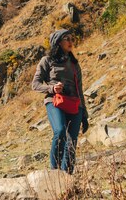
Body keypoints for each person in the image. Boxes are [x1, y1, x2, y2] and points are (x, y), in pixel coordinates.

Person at [31, 29, 89, 174]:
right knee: (60, 131)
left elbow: (79, 89)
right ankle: (54, 172)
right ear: (58, 42)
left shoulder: (74, 63)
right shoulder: (47, 60)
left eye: (71, 38)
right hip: (55, 101)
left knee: (72, 142)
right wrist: (52, 88)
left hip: (75, 104)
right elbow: (35, 84)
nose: (71, 41)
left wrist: (84, 114)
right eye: (66, 39)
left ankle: (66, 178)